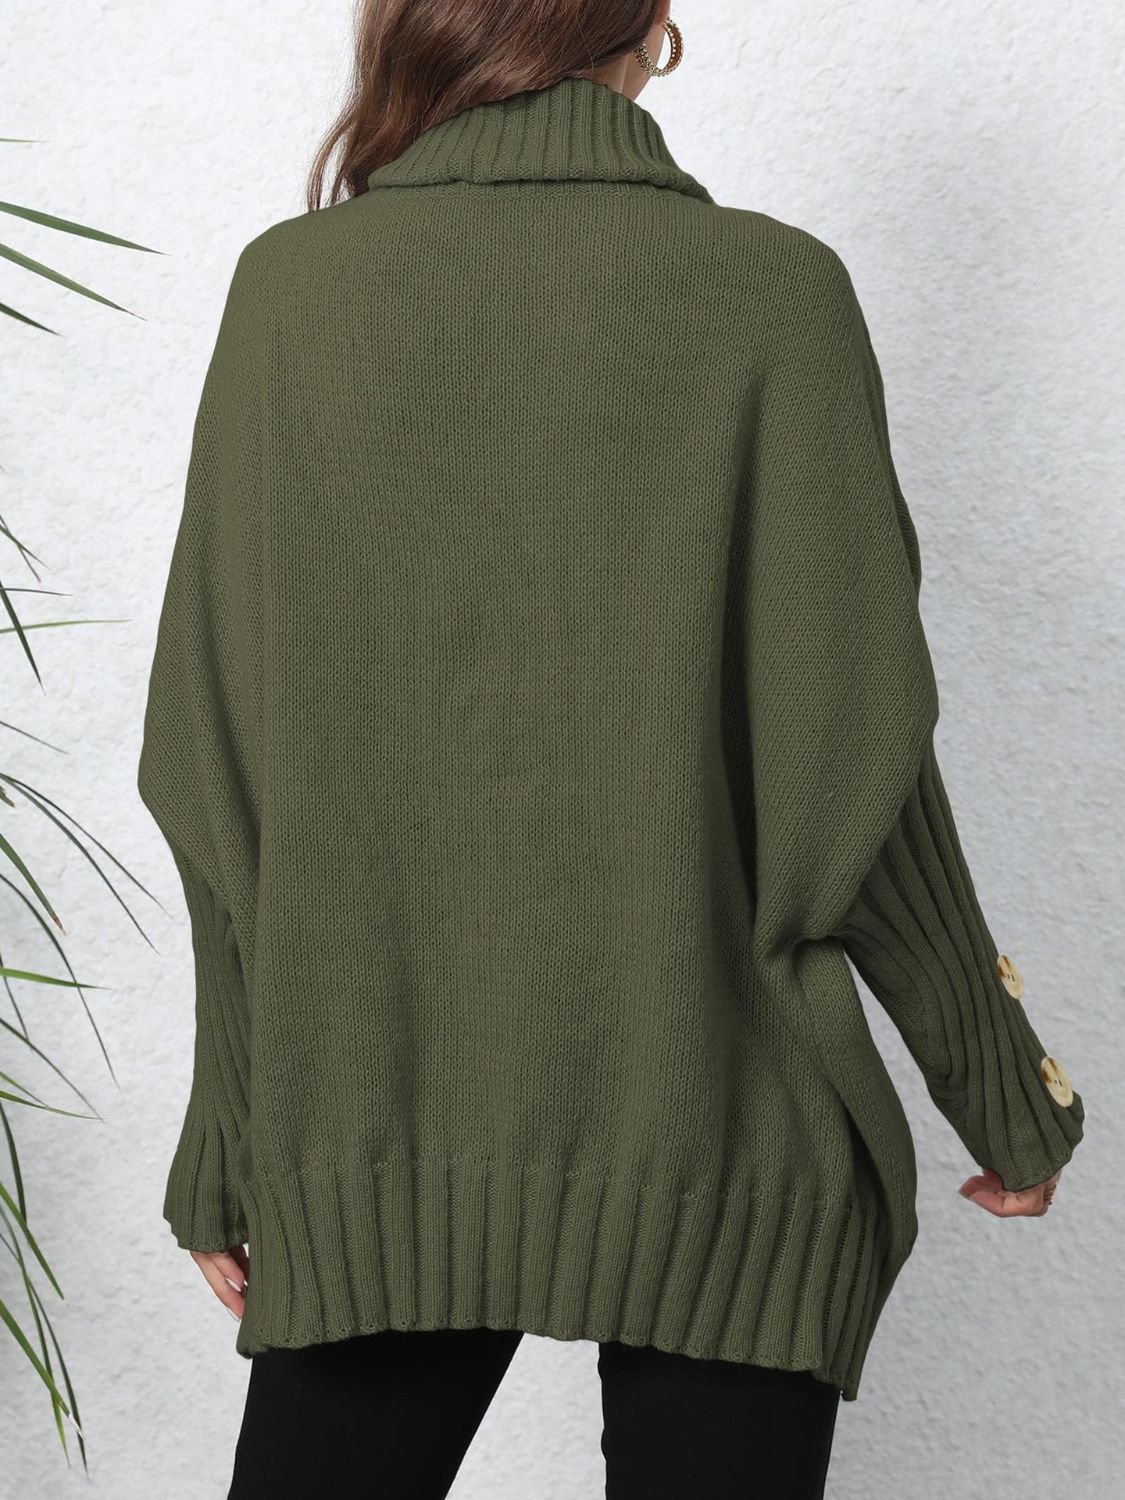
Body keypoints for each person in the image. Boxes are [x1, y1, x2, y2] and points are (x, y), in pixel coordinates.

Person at [135, 3, 1086, 1496]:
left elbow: (212, 761)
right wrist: (999, 1086)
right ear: (649, 28)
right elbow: (858, 755)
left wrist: (232, 1131)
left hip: (373, 1130)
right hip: (726, 1129)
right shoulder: (774, 294)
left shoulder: (292, 292)